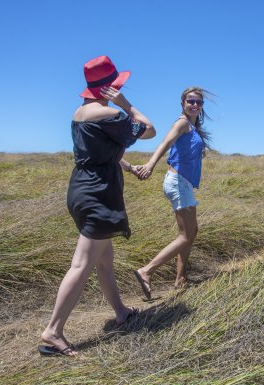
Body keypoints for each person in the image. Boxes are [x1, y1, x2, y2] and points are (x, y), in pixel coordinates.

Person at [40, 56, 156, 356]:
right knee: (81, 265)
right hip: (99, 195)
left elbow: (100, 152)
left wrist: (128, 167)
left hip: (80, 189)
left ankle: (121, 312)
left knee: (104, 261)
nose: (120, 89)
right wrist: (126, 103)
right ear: (108, 88)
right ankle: (53, 331)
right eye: (117, 86)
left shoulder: (80, 113)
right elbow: (149, 129)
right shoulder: (108, 114)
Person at [133, 86, 212, 300]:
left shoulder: (193, 128)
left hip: (184, 182)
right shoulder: (182, 123)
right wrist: (150, 164)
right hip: (177, 182)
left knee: (191, 231)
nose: (194, 105)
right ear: (183, 104)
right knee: (186, 235)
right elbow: (165, 143)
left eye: (198, 102)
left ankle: (180, 279)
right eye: (191, 101)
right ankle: (146, 271)